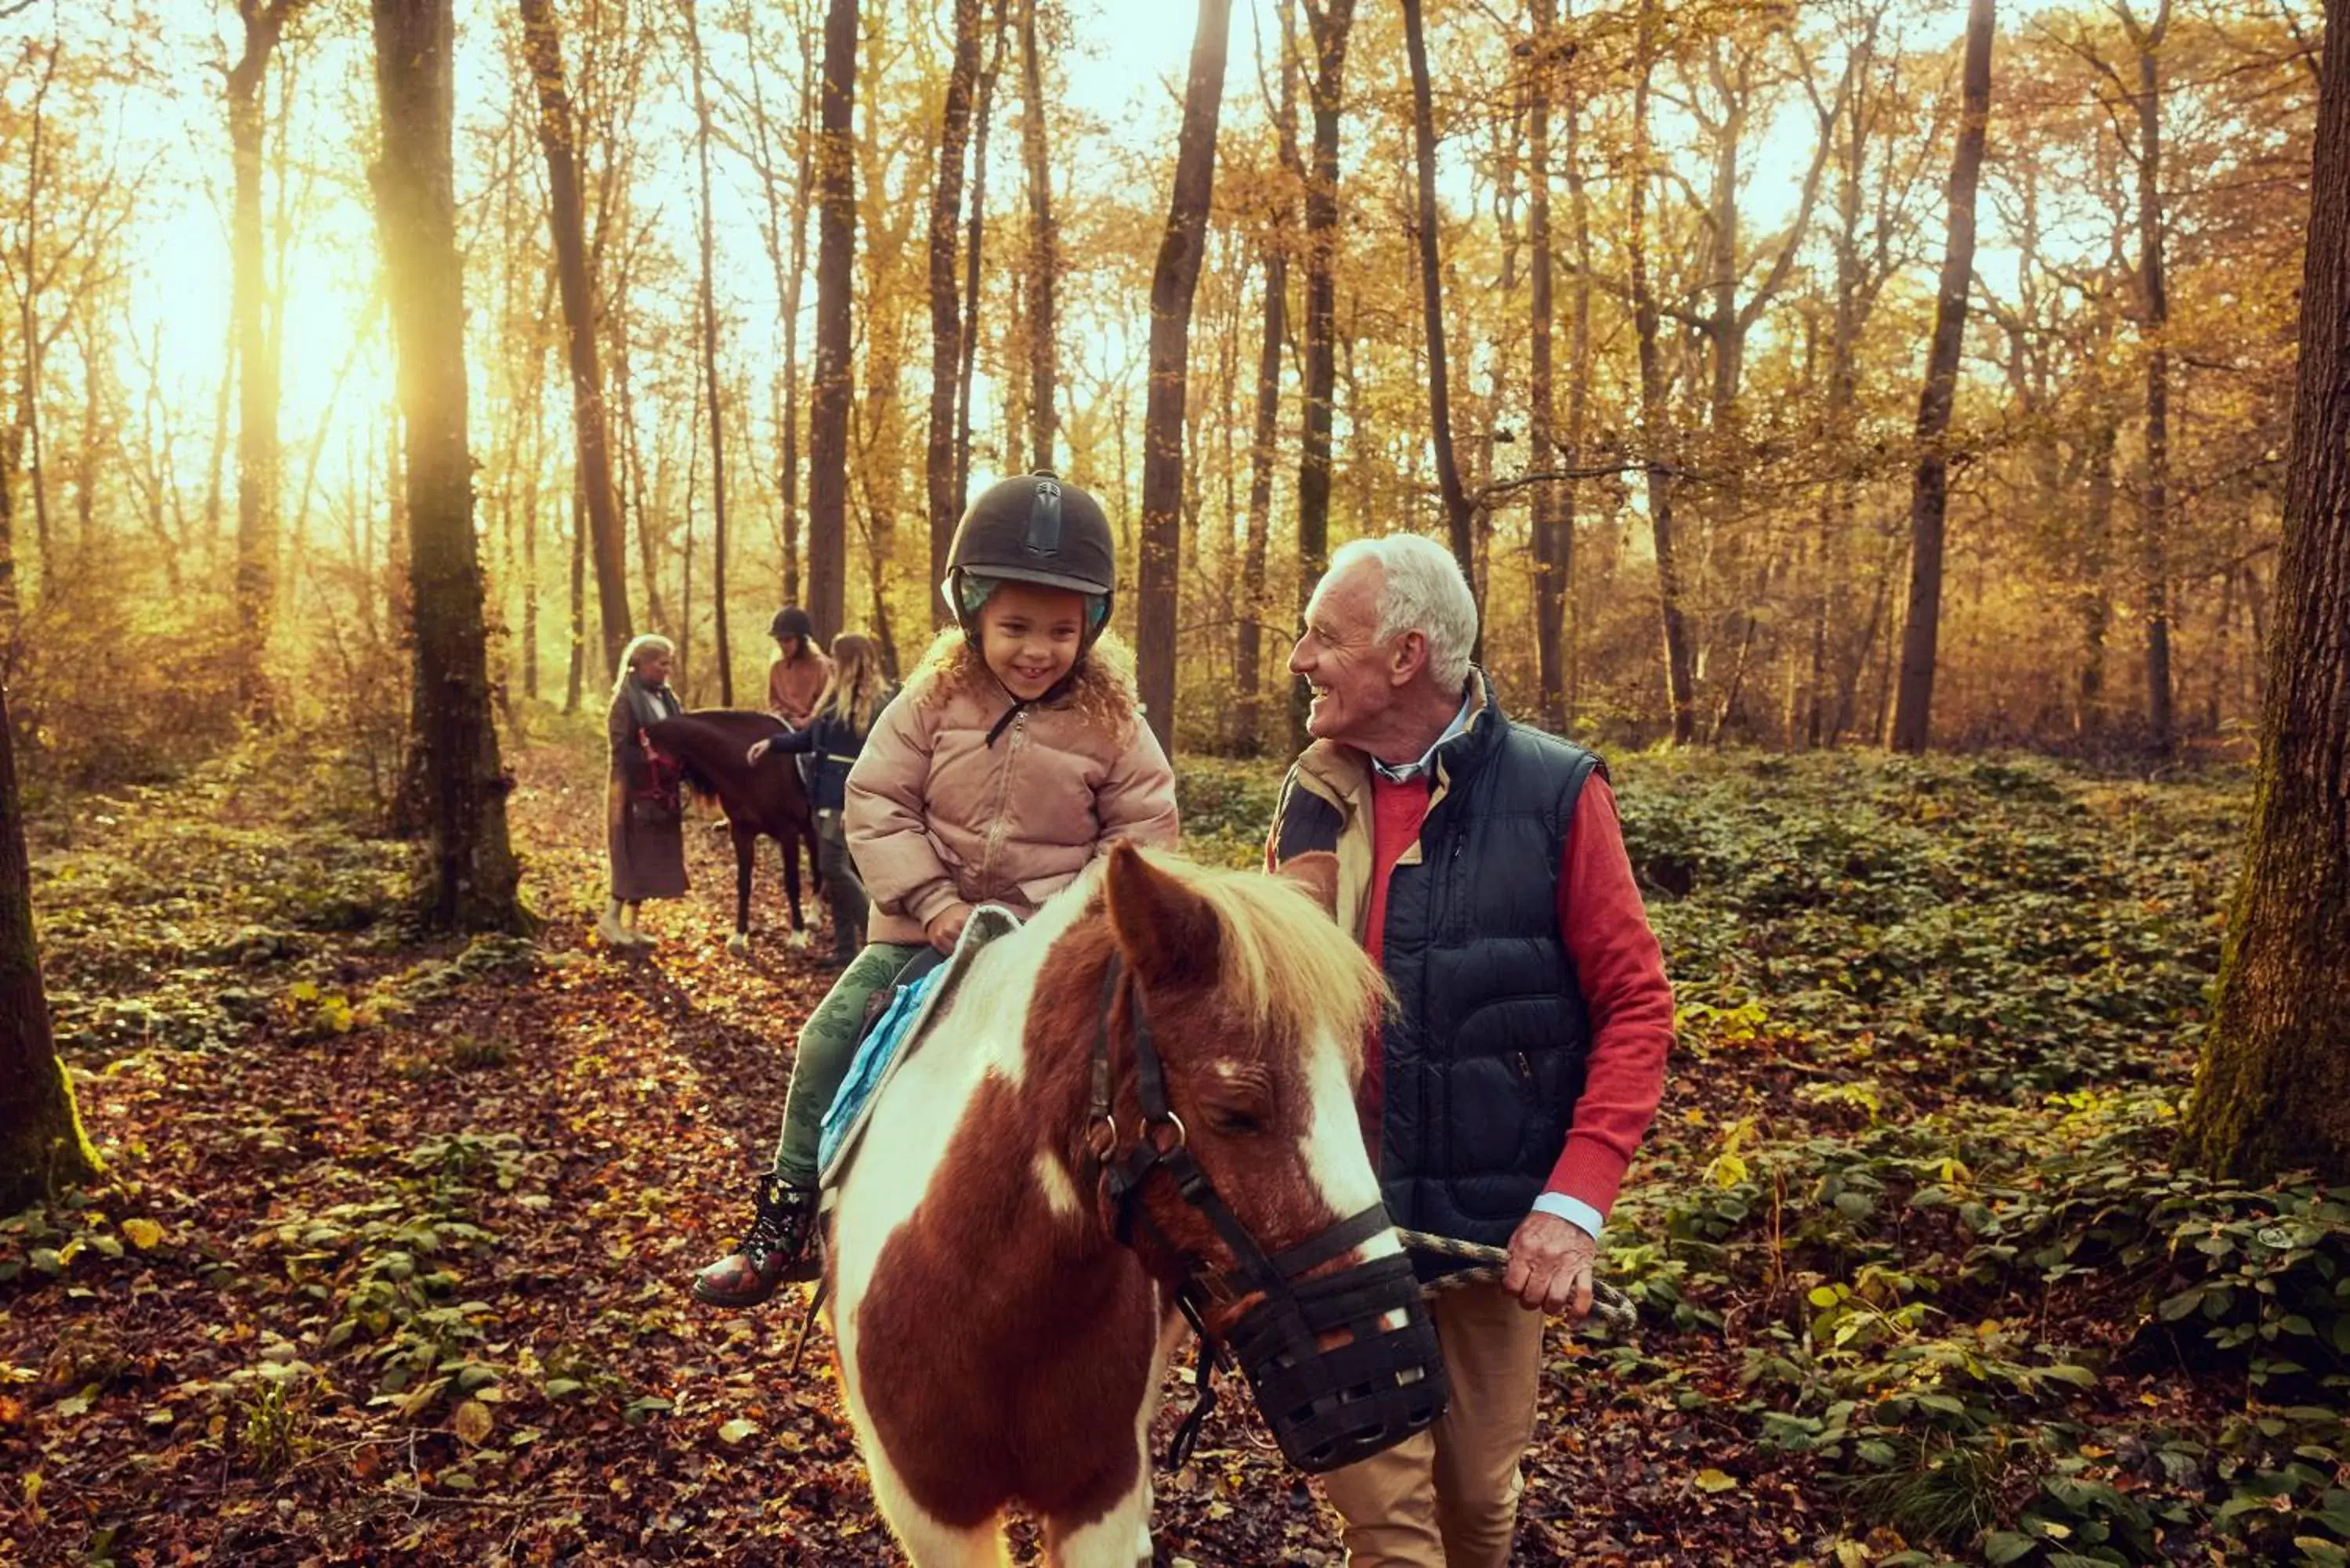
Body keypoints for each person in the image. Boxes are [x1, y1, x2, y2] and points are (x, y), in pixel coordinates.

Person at [1267, 534, 1672, 1568]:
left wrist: (1571, 1206)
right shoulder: (1310, 790)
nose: (1300, 659)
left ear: (1406, 657)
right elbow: (1273, 1004)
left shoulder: (1554, 791)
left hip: (1494, 1231)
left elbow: (1635, 1005)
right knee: (1392, 1535)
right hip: (1339, 1218)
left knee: (1478, 1510)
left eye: (1325, 636)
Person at [691, 471, 1180, 1307]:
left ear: (1091, 626)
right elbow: (876, 800)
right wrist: (936, 905)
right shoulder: (932, 699)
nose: (1037, 648)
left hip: (1048, 949)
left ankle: (1152, 1258)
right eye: (1016, 626)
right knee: (825, 1040)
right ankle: (787, 1211)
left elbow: (1140, 840)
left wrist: (1058, 925)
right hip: (921, 935)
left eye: (1061, 630)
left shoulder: (1115, 723)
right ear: (974, 613)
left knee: (1147, 1072)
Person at [746, 631, 894, 970]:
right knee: (837, 873)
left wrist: (856, 802)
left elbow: (882, 759)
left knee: (832, 866)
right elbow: (809, 739)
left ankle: (883, 939)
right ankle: (846, 952)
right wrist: (772, 743)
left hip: (851, 799)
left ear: (848, 660)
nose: (829, 662)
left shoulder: (881, 702)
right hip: (823, 796)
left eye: (835, 657)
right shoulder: (834, 699)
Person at [600, 634, 688, 950]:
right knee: (630, 851)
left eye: (668, 663)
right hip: (630, 787)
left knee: (652, 854)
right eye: (661, 663)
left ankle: (631, 925)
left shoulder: (667, 698)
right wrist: (647, 760)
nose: (667, 669)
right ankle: (610, 919)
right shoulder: (625, 699)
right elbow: (619, 746)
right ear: (643, 664)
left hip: (662, 788)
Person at [766, 606, 832, 728]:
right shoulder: (777, 668)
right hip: (783, 726)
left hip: (813, 728)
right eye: (779, 640)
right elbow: (773, 701)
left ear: (801, 639)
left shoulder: (821, 667)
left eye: (788, 640)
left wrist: (809, 720)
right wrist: (779, 713)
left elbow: (827, 705)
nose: (783, 645)